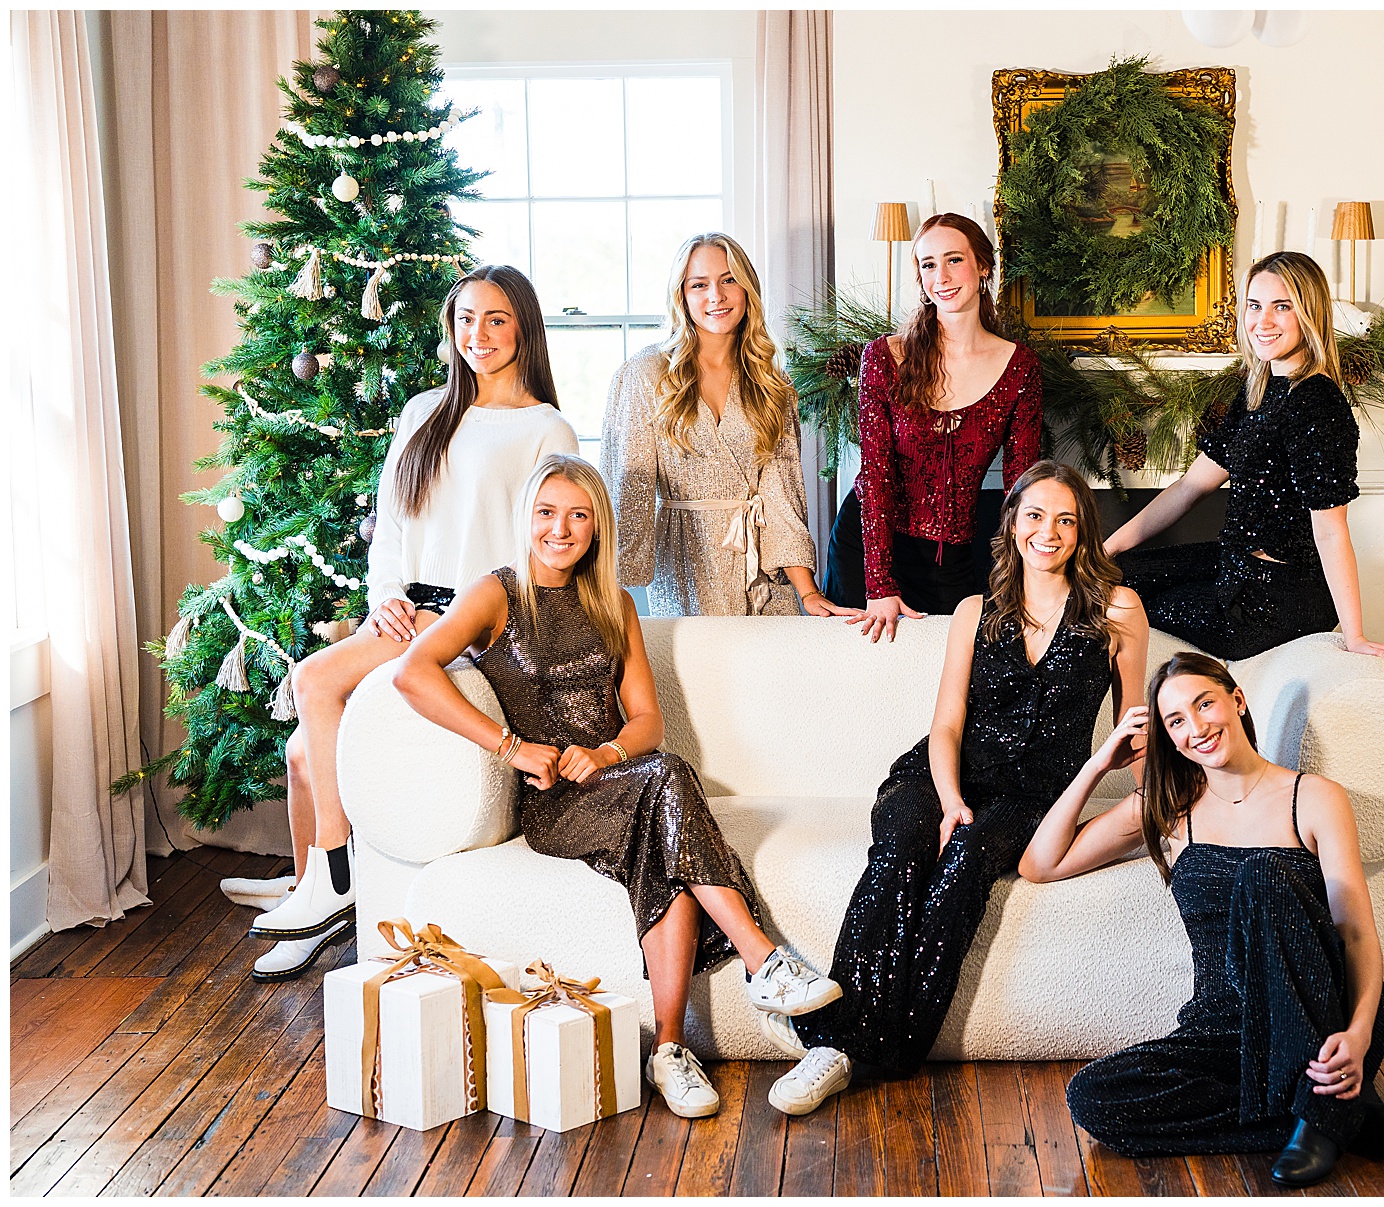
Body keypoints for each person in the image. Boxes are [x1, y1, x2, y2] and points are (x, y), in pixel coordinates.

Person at [392, 454, 840, 1118]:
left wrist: (605, 752)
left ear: (597, 526)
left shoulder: (613, 602)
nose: (560, 529)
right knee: (668, 780)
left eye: (578, 515)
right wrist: (511, 747)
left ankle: (668, 1051)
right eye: (547, 513)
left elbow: (648, 721)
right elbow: (412, 673)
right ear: (527, 518)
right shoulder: (496, 593)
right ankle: (764, 962)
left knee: (665, 829)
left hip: (620, 779)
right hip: (554, 803)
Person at [762, 461, 1150, 1115]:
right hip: (936, 775)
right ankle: (828, 1048)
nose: (1047, 531)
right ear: (1013, 524)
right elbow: (944, 725)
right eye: (1034, 515)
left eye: (1065, 519)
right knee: (902, 849)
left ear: (1083, 530)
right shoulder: (976, 610)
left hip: (1032, 800)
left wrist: (1172, 801)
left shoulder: (1118, 610)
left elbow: (1132, 735)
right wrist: (949, 801)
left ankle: (877, 1052)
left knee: (966, 859)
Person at [243, 266, 579, 981]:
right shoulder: (424, 409)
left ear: (522, 327)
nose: (477, 335)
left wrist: (479, 618)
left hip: (474, 619)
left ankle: (332, 883)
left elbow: (545, 541)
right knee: (304, 747)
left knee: (310, 682)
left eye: (494, 319)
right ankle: (326, 896)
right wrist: (384, 594)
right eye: (464, 320)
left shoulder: (545, 426)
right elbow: (392, 517)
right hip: (408, 611)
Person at [1016, 650, 1384, 1188]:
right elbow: (1041, 865)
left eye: (1205, 704)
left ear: (1237, 701)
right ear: (1169, 737)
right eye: (1176, 720)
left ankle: (1320, 1113)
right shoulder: (1168, 806)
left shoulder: (1313, 797)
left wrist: (1360, 1033)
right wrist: (1098, 763)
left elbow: (1356, 931)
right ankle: (1333, 1113)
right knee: (1093, 1098)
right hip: (1222, 1028)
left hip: (1321, 1014)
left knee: (1262, 873)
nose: (1196, 727)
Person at [1102, 251, 1384, 671]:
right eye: (1254, 305)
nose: (1262, 321)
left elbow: (1331, 530)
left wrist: (1354, 635)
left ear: (1309, 313)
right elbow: (1191, 487)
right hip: (1233, 563)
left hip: (1270, 598)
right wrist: (1108, 547)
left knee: (1127, 601)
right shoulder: (1259, 390)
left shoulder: (1316, 401)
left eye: (1281, 306)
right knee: (1112, 572)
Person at [599, 232, 853, 618]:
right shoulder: (645, 374)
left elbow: (781, 494)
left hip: (765, 576)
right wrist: (610, 593)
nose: (716, 296)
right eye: (699, 285)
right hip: (686, 566)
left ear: (747, 288)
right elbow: (626, 489)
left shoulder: (772, 382)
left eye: (728, 279)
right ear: (681, 295)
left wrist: (808, 593)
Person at [821, 212, 1044, 641]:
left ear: (983, 266)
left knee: (951, 678)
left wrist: (1026, 583)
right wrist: (880, 585)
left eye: (954, 259)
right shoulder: (883, 357)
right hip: (868, 545)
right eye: (927, 264)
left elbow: (1022, 487)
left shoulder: (1020, 367)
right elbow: (877, 474)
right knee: (861, 678)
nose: (940, 275)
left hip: (955, 554)